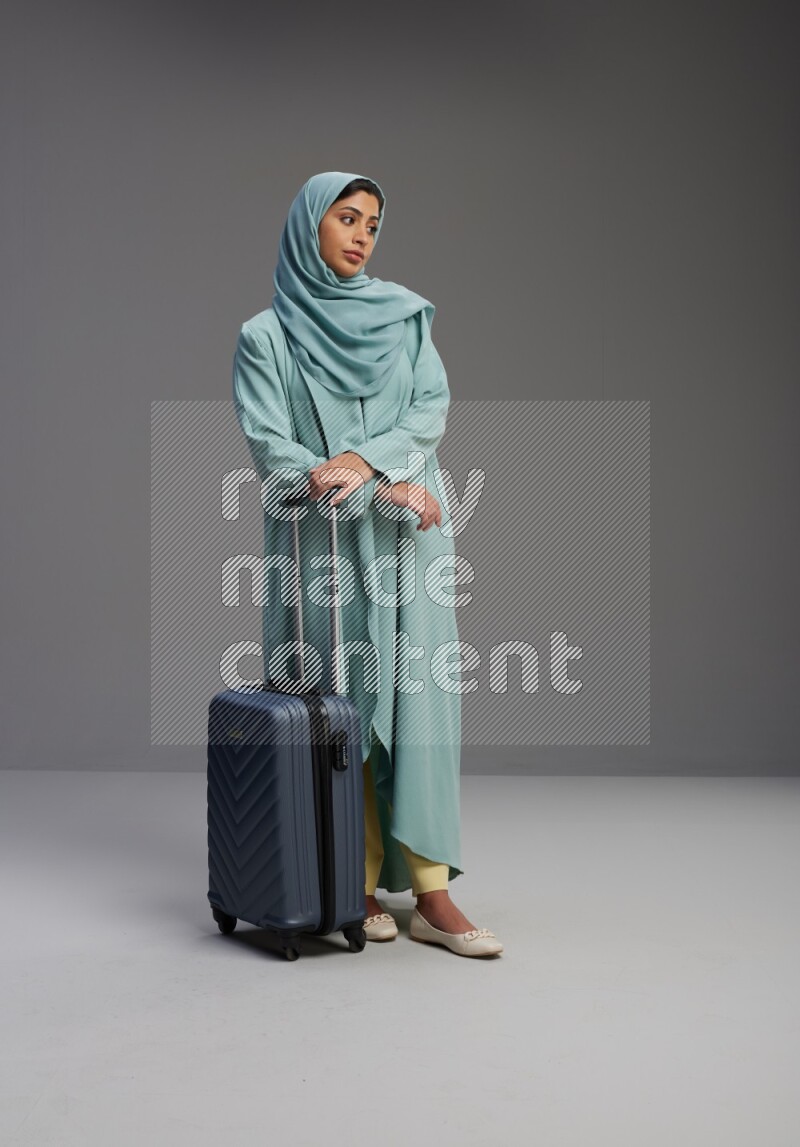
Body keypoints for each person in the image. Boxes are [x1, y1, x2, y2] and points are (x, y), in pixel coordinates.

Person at [232, 171, 503, 957]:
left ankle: (432, 891)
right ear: (309, 225)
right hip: (323, 544)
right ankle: (353, 875)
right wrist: (355, 480)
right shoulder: (265, 337)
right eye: (346, 218)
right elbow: (271, 447)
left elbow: (428, 411)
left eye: (373, 224)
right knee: (343, 707)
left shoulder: (405, 318)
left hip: (410, 535)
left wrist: (365, 462)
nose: (361, 235)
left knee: (420, 704)